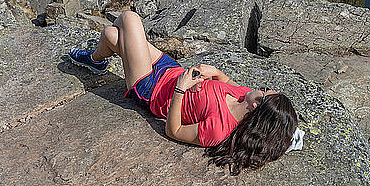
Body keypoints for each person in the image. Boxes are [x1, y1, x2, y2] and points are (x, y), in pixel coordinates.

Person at [69, 10, 299, 176]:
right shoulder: (243, 95)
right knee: (111, 35)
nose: (259, 89)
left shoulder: (219, 130)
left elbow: (174, 130)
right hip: (169, 69)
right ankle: (95, 61)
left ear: (257, 107)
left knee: (129, 19)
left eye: (264, 92)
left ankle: (94, 59)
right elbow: (225, 80)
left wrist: (181, 89)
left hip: (152, 88)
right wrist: (213, 71)